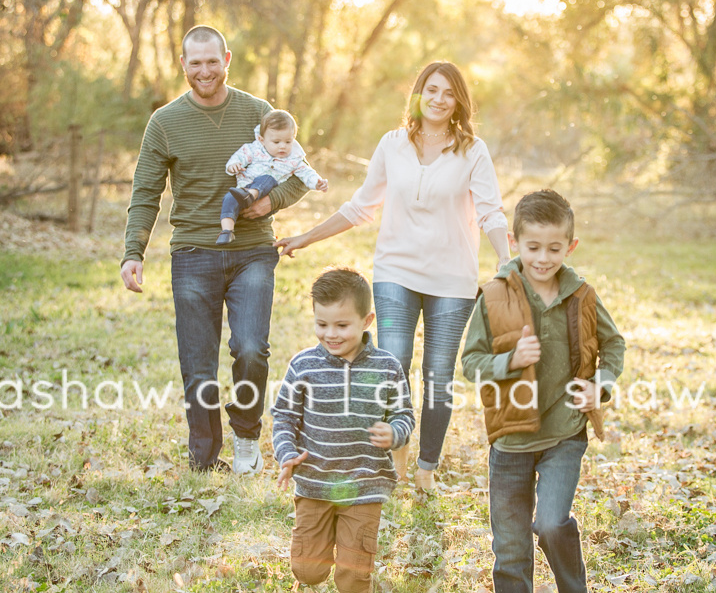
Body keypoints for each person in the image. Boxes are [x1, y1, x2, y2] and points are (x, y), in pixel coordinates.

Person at [275, 61, 510, 491]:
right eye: (431, 90)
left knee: (438, 372)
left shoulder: (472, 150)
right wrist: (307, 237)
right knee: (393, 363)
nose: (439, 99)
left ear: (459, 101)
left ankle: (426, 468)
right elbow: (362, 206)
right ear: (418, 93)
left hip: (452, 278)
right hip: (396, 270)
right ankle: (394, 457)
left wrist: (505, 259)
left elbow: (491, 210)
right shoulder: (393, 144)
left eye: (448, 93)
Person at [120, 25, 310, 473]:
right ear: (183, 64)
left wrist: (271, 201)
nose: (205, 70)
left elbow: (299, 173)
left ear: (226, 59)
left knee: (250, 347)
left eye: (212, 61)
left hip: (253, 252)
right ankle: (204, 458)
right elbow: (146, 191)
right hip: (193, 253)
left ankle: (247, 437)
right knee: (198, 361)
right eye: (195, 62)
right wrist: (134, 251)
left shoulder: (259, 113)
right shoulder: (164, 121)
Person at [461, 189, 625, 593]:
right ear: (514, 243)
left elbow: (614, 344)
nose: (543, 257)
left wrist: (601, 383)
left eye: (554, 248)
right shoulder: (494, 296)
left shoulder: (582, 295)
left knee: (552, 522)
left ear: (569, 247)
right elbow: (471, 362)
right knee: (510, 544)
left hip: (564, 434)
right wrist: (508, 361)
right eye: (533, 247)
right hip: (511, 440)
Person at [272, 268, 414, 593]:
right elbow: (284, 415)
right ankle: (318, 560)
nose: (330, 334)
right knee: (308, 569)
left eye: (341, 325)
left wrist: (394, 432)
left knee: (353, 567)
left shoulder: (387, 367)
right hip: (315, 482)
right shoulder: (304, 365)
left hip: (366, 483)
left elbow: (404, 415)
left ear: (367, 321)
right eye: (322, 324)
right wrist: (287, 453)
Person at [217, 109, 327, 246]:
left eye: (288, 142)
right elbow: (239, 157)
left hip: (266, 197)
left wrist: (317, 183)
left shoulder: (294, 159)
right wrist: (233, 165)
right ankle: (227, 231)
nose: (283, 146)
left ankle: (250, 195)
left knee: (267, 179)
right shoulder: (253, 149)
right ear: (261, 140)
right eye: (276, 142)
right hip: (243, 189)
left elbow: (306, 173)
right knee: (228, 198)